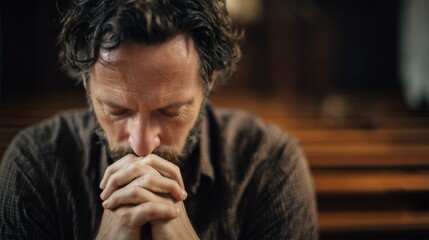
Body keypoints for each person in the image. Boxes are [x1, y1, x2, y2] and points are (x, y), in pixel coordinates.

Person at [0, 0, 318, 239]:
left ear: (210, 84)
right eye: (117, 110)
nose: (140, 144)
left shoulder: (271, 163)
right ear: (86, 82)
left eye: (170, 111)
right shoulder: (34, 163)